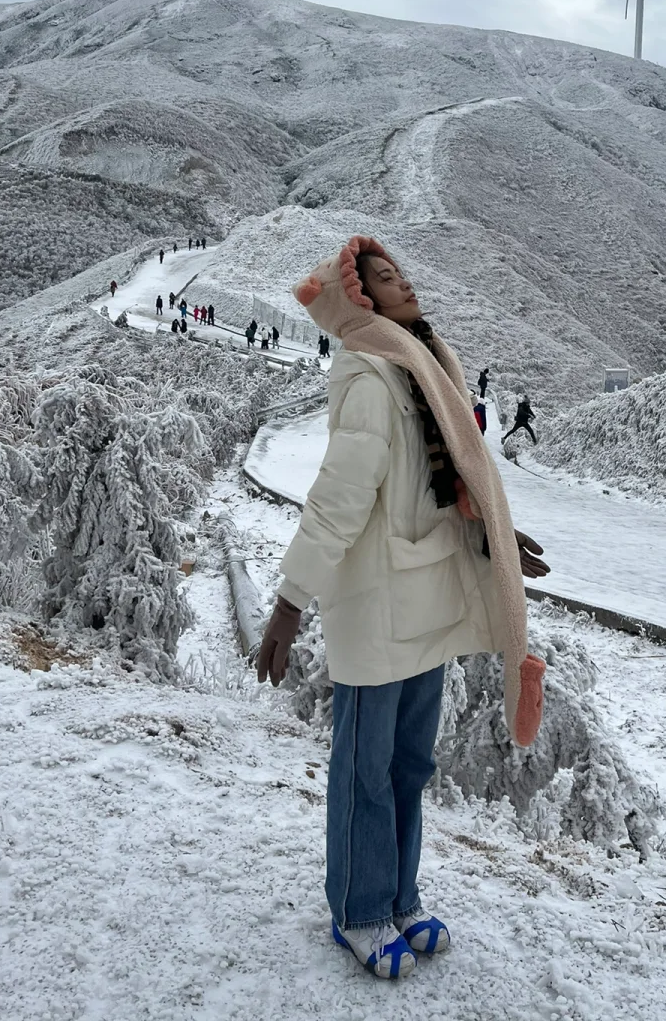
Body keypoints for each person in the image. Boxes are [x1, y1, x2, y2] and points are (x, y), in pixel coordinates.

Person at [257, 235, 549, 982]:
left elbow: (443, 476)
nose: (403, 284)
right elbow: (339, 500)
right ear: (358, 301)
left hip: (425, 599)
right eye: (384, 279)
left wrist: (499, 532)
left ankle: (400, 898)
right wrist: (290, 604)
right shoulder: (368, 377)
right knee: (366, 769)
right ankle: (358, 913)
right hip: (379, 607)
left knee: (409, 766)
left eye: (401, 273)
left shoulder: (422, 368)